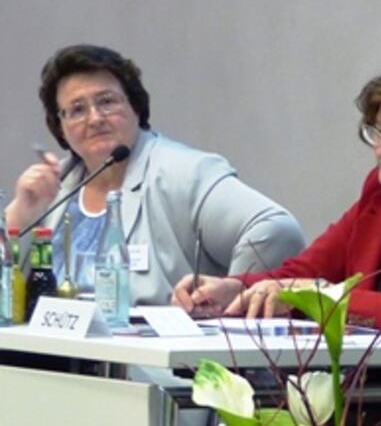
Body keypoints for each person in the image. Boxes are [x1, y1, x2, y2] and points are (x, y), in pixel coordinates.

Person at [172, 51, 381, 337]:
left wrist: (317, 296)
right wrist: (233, 289)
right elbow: (303, 273)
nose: (380, 152)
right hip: (361, 381)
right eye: (377, 133)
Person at [3, 44, 307, 305]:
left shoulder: (184, 174)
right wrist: (21, 214)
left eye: (107, 101)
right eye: (77, 109)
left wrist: (232, 304)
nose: (94, 119)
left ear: (135, 106)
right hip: (47, 351)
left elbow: (277, 230)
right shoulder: (55, 187)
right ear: (60, 127)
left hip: (150, 355)